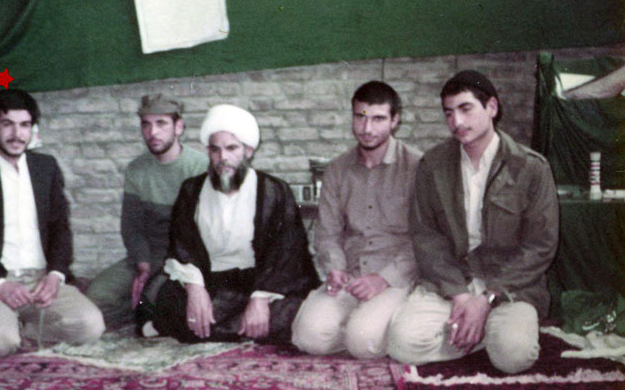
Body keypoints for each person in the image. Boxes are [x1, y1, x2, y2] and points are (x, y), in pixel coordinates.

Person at [387, 70, 559, 374]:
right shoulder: (433, 165)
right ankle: (478, 335)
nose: (457, 121)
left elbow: (540, 247)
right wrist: (461, 295)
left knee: (514, 356)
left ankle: (481, 332)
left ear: (491, 107)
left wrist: (487, 298)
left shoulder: (530, 167)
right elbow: (426, 236)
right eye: (449, 113)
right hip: (453, 282)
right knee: (402, 345)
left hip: (509, 287)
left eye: (466, 109)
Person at [0, 88, 104, 357]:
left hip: (40, 280)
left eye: (24, 125)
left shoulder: (46, 168)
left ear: (32, 129)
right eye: (7, 124)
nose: (16, 134)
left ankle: (21, 328)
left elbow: (60, 228)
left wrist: (55, 276)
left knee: (91, 327)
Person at [152, 104, 318, 344]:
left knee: (297, 311)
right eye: (215, 150)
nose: (223, 158)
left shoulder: (274, 190)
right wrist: (195, 289)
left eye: (231, 148)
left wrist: (260, 298)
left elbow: (287, 252)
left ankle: (217, 326)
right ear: (208, 151)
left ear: (248, 151)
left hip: (258, 283)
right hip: (209, 283)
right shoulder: (192, 190)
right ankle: (238, 327)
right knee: (168, 299)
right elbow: (181, 245)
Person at [292, 81, 421, 358]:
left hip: (395, 276)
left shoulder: (416, 167)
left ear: (395, 120)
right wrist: (335, 268)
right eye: (360, 117)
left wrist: (383, 279)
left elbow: (425, 237)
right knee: (308, 337)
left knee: (363, 342)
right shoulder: (337, 169)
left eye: (378, 119)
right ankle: (361, 325)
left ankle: (375, 325)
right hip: (350, 274)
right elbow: (327, 232)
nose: (367, 128)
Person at [86, 94, 207, 329]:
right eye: (146, 124)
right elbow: (131, 227)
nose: (153, 132)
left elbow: (201, 232)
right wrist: (143, 264)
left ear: (179, 127)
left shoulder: (199, 166)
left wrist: (173, 267)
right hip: (149, 254)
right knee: (96, 297)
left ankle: (150, 310)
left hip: (186, 258)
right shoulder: (137, 169)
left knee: (166, 298)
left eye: (161, 123)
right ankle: (142, 313)